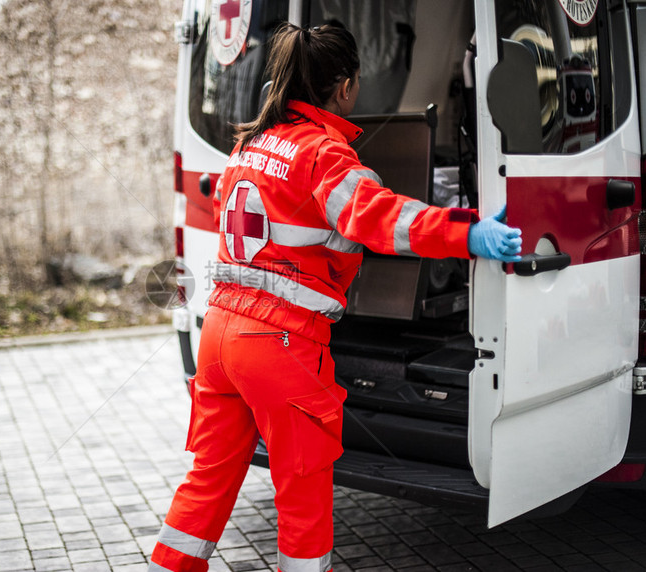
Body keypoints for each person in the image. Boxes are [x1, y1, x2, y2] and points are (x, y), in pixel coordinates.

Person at [148, 23, 521, 572]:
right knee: (302, 497)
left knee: (207, 482)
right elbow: (384, 219)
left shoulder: (249, 145)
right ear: (345, 87)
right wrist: (468, 233)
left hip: (221, 337)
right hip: (278, 345)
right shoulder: (325, 156)